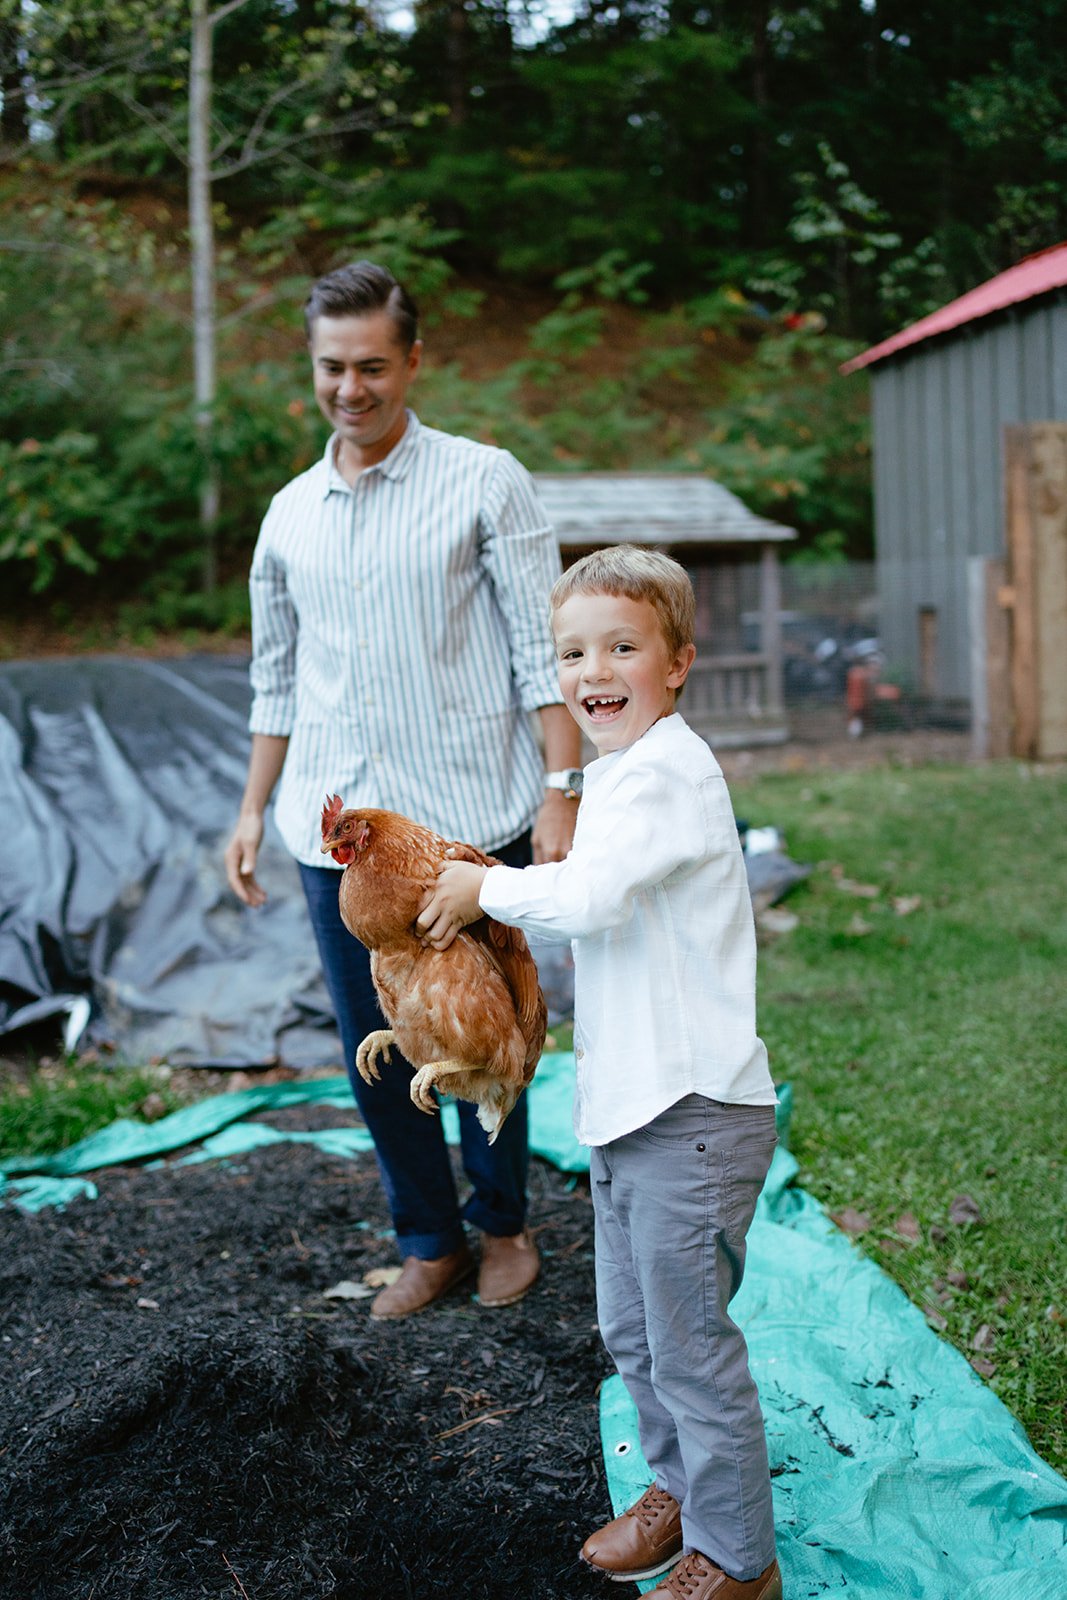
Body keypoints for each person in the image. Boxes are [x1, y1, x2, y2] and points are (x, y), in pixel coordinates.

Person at [418, 546, 781, 1600]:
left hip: (694, 1111)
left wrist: (481, 884)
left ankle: (736, 1557)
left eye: (622, 645)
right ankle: (675, 1493)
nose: (594, 669)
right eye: (574, 651)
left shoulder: (670, 770)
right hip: (629, 1111)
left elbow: (586, 900)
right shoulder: (624, 772)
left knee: (689, 1344)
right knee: (634, 1331)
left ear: (677, 663)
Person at [224, 260, 582, 1321]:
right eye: (331, 367)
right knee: (375, 1044)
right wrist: (252, 807)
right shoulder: (288, 513)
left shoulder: (483, 481)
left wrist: (562, 792)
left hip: (470, 821)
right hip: (342, 837)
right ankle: (427, 1239)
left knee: (490, 1024)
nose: (350, 388)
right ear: (312, 367)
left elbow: (539, 653)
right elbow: (274, 675)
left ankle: (504, 1224)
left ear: (412, 360)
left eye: (372, 365)